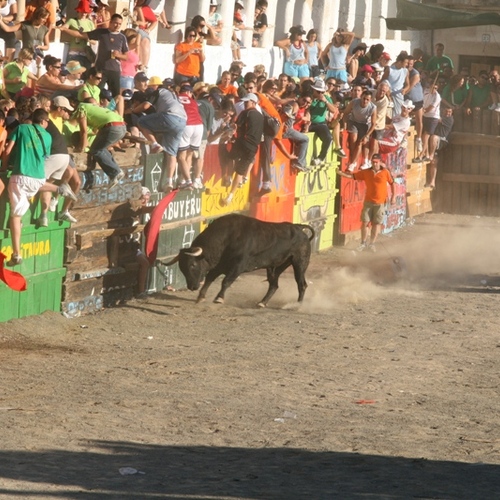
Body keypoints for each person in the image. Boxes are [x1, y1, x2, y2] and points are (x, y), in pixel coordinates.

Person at [2, 108, 78, 266]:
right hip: (38, 177)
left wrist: (3, 168)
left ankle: (17, 253)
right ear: (43, 121)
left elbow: (8, 150)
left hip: (20, 176)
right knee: (37, 186)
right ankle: (58, 189)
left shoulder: (21, 128)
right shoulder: (48, 136)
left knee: (15, 217)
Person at [337, 153, 395, 253]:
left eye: (376, 162)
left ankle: (371, 244)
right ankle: (363, 243)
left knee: (376, 224)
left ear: (380, 162)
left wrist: (393, 196)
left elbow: (392, 183)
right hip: (368, 202)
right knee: (365, 222)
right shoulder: (366, 172)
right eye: (373, 162)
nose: (375, 164)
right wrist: (341, 173)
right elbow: (353, 176)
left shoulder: (385, 172)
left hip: (381, 203)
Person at [38, 95, 81, 226]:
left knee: (77, 182)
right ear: (60, 108)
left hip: (62, 152)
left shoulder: (60, 120)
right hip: (53, 153)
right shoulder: (46, 119)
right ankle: (53, 201)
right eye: (66, 110)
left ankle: (61, 206)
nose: (68, 113)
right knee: (61, 175)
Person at [136, 85, 187, 193]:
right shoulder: (173, 96)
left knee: (141, 122)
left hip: (170, 116)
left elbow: (145, 106)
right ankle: (169, 182)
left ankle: (154, 144)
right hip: (183, 121)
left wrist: (131, 110)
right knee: (172, 153)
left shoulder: (158, 91)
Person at [64, 13, 128, 98]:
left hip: (115, 70)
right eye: (115, 23)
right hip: (101, 69)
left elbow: (126, 56)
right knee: (95, 91)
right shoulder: (102, 32)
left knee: (116, 95)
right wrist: (65, 30)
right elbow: (82, 35)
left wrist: (118, 55)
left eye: (119, 24)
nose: (117, 25)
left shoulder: (122, 37)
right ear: (111, 22)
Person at [73, 102, 127, 188]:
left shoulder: (81, 108)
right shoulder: (91, 108)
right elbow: (95, 131)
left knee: (95, 150)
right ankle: (116, 171)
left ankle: (115, 172)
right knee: (101, 148)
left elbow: (84, 132)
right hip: (122, 126)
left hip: (112, 127)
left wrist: (81, 148)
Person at [223, 93, 264, 206]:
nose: (245, 104)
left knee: (231, 157)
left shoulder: (246, 113)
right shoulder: (261, 116)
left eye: (247, 102)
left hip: (242, 142)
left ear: (253, 102)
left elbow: (236, 126)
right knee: (240, 172)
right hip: (253, 147)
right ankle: (231, 195)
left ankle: (229, 177)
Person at [176, 83, 204, 190]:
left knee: (181, 156)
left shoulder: (176, 98)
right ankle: (184, 180)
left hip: (187, 125)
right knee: (190, 154)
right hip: (199, 125)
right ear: (189, 93)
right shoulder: (193, 101)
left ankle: (187, 182)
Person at [343, 90, 377, 171]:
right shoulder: (354, 102)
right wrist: (344, 126)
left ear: (370, 100)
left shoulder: (373, 108)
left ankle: (352, 163)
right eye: (364, 98)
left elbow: (373, 124)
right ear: (361, 97)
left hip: (364, 124)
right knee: (353, 139)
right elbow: (346, 113)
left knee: (360, 143)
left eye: (367, 100)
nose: (365, 101)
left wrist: (367, 135)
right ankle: (353, 160)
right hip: (353, 121)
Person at [308, 78, 338, 165]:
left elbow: (333, 110)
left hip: (320, 123)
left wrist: (325, 101)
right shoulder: (309, 97)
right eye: (318, 92)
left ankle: (321, 157)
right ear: (314, 90)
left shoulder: (327, 98)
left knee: (328, 137)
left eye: (322, 92)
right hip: (308, 122)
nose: (320, 94)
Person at [59, 0, 95, 70]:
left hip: (86, 55)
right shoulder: (72, 20)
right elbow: (63, 28)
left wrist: (85, 37)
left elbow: (94, 41)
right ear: (78, 11)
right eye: (82, 11)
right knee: (72, 74)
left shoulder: (90, 23)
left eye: (85, 12)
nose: (84, 14)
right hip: (74, 54)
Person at [414, 80, 441, 163]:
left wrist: (420, 111)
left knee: (425, 136)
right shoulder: (425, 91)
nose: (434, 89)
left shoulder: (437, 97)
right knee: (423, 135)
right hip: (425, 116)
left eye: (436, 88)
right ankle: (427, 155)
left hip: (433, 117)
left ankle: (421, 155)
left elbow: (429, 109)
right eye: (433, 87)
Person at [426, 106, 454, 189]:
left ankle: (430, 155)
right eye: (446, 111)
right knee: (434, 162)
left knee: (434, 137)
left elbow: (437, 120)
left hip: (442, 141)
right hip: (435, 142)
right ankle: (432, 182)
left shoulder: (450, 119)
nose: (447, 113)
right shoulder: (442, 116)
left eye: (449, 111)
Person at [133, 0, 158, 70]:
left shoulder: (144, 8)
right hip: (133, 29)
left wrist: (148, 29)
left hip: (140, 29)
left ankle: (144, 66)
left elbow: (154, 21)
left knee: (145, 41)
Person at [383, 51, 409, 117]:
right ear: (400, 62)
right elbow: (382, 81)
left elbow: (408, 85)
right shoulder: (390, 69)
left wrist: (404, 90)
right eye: (405, 62)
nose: (407, 64)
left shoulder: (405, 71)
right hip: (388, 95)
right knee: (388, 114)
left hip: (399, 95)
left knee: (398, 115)